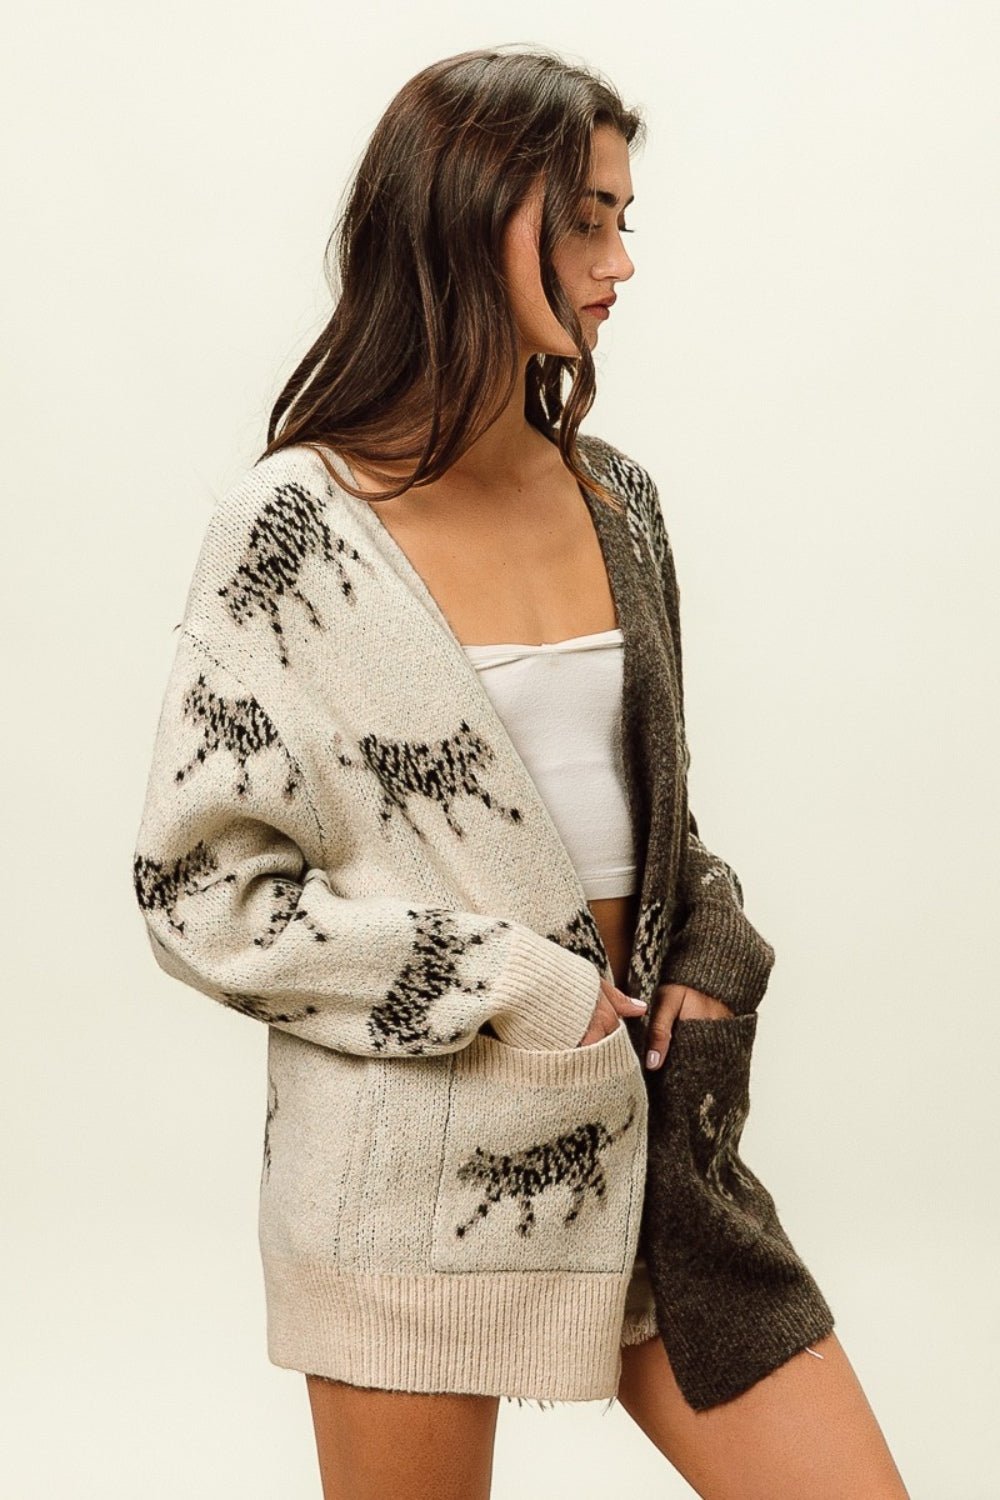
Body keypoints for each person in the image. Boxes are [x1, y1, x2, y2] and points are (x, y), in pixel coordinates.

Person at [132, 44, 910, 1500]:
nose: (622, 262)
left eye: (624, 217)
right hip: (408, 1191)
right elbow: (201, 896)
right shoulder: (290, 535)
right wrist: (508, 979)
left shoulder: (617, 498)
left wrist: (714, 947)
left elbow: (651, 827)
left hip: (661, 1168)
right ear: (470, 219)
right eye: (587, 220)